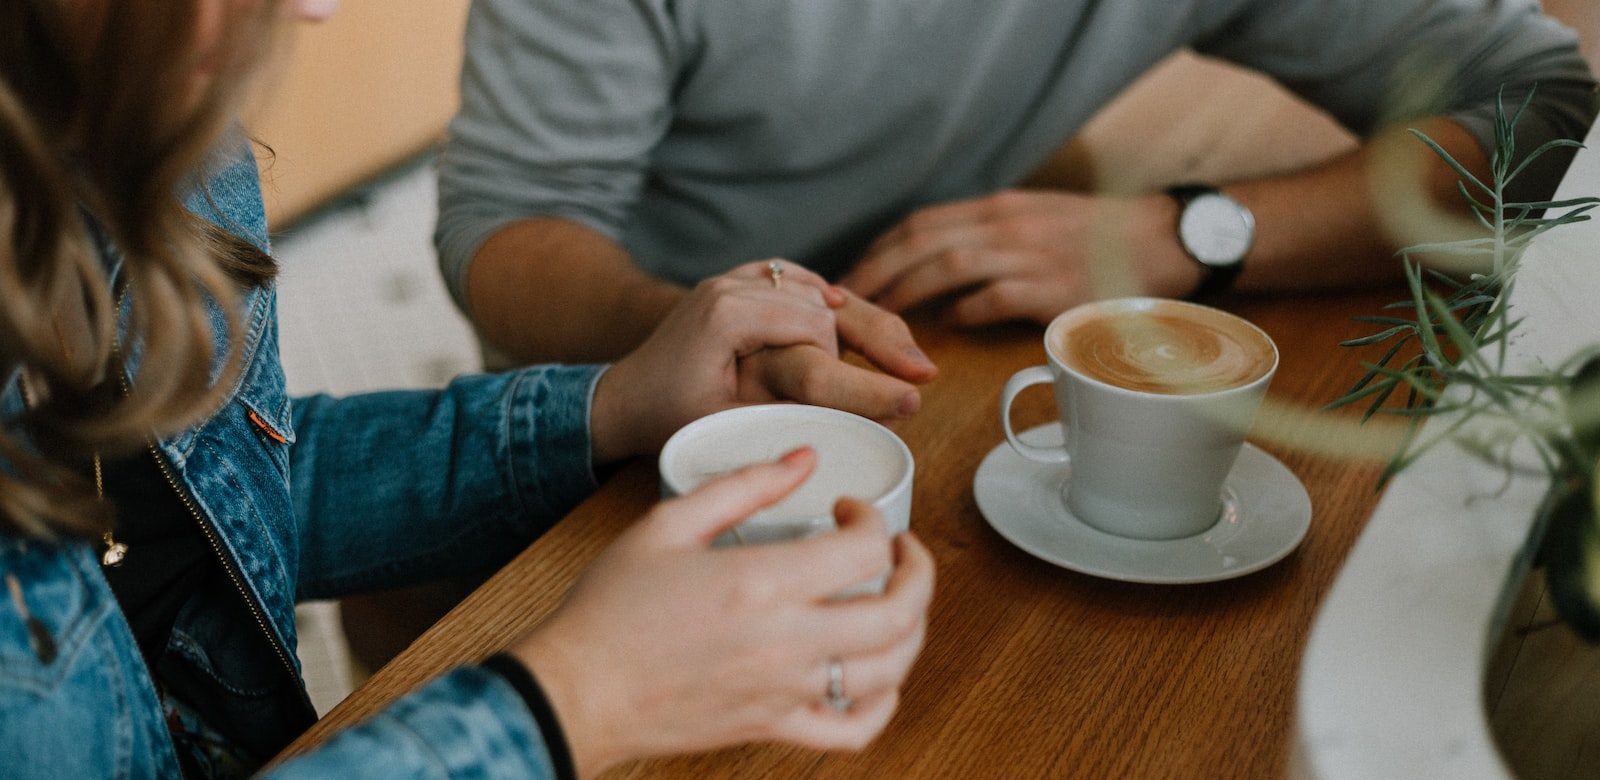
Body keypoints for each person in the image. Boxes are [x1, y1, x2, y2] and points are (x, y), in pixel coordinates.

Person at [0, 2, 935, 778]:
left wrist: (610, 404)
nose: (320, 6)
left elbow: (225, 493)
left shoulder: (140, 137)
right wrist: (570, 700)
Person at [436, 0, 1598, 367]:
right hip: (623, 376)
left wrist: (1194, 232)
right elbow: (508, 227)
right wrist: (686, 327)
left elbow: (1546, 107)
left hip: (949, 340)